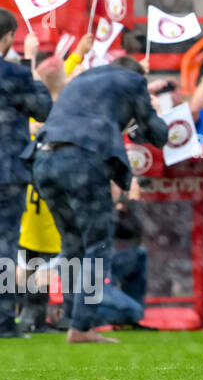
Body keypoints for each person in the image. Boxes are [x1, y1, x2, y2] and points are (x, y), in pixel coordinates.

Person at [28, 57, 167, 343]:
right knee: (98, 245)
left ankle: (69, 313)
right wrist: (154, 113)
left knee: (73, 244)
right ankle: (80, 327)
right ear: (137, 75)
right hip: (81, 159)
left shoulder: (81, 80)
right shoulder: (134, 81)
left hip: (43, 159)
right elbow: (158, 135)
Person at [0, 11, 52, 338]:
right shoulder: (15, 75)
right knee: (5, 247)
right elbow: (43, 108)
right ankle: (4, 319)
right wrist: (30, 65)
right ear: (7, 38)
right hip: (6, 174)